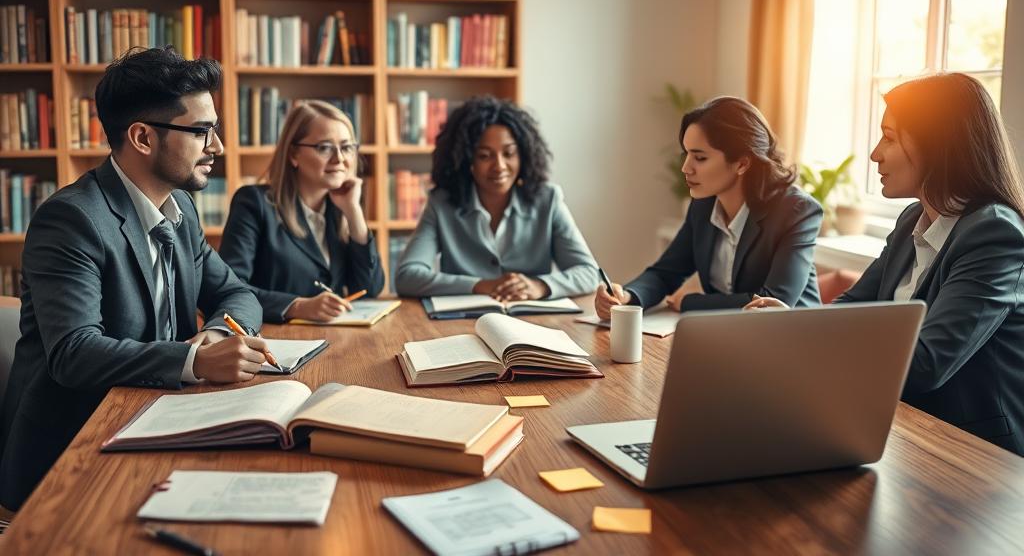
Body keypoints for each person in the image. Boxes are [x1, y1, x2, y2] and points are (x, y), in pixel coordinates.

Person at [0, 47, 266, 512]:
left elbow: (235, 293)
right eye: (202, 131)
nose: (217, 147)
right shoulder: (71, 219)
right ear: (142, 137)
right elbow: (74, 353)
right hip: (72, 459)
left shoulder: (180, 212)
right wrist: (195, 362)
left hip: (157, 423)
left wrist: (215, 334)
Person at [746, 73, 1024, 456]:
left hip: (972, 454)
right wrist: (791, 322)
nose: (875, 153)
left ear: (938, 146)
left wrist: (805, 338)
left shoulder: (994, 234)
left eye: (890, 137)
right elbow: (854, 306)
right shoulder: (913, 219)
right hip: (901, 429)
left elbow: (926, 363)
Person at [595, 96, 822, 319]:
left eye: (700, 158)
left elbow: (771, 303)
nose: (686, 168)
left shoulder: (796, 211)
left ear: (742, 163)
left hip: (794, 342)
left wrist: (689, 302)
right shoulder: (703, 204)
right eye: (687, 154)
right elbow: (666, 272)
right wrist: (627, 296)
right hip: (731, 337)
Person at [394, 96, 599, 300]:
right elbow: (407, 277)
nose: (499, 166)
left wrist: (540, 286)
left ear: (524, 155)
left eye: (509, 154)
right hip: (462, 322)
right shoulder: (442, 205)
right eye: (484, 156)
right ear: (467, 160)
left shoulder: (548, 201)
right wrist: (480, 286)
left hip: (534, 322)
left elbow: (589, 273)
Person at [219, 101, 384, 323]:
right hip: (274, 340)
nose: (340, 159)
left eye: (346, 147)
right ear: (293, 154)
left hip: (335, 339)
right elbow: (230, 290)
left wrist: (354, 214)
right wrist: (296, 306)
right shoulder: (253, 203)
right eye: (324, 147)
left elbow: (369, 290)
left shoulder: (339, 210)